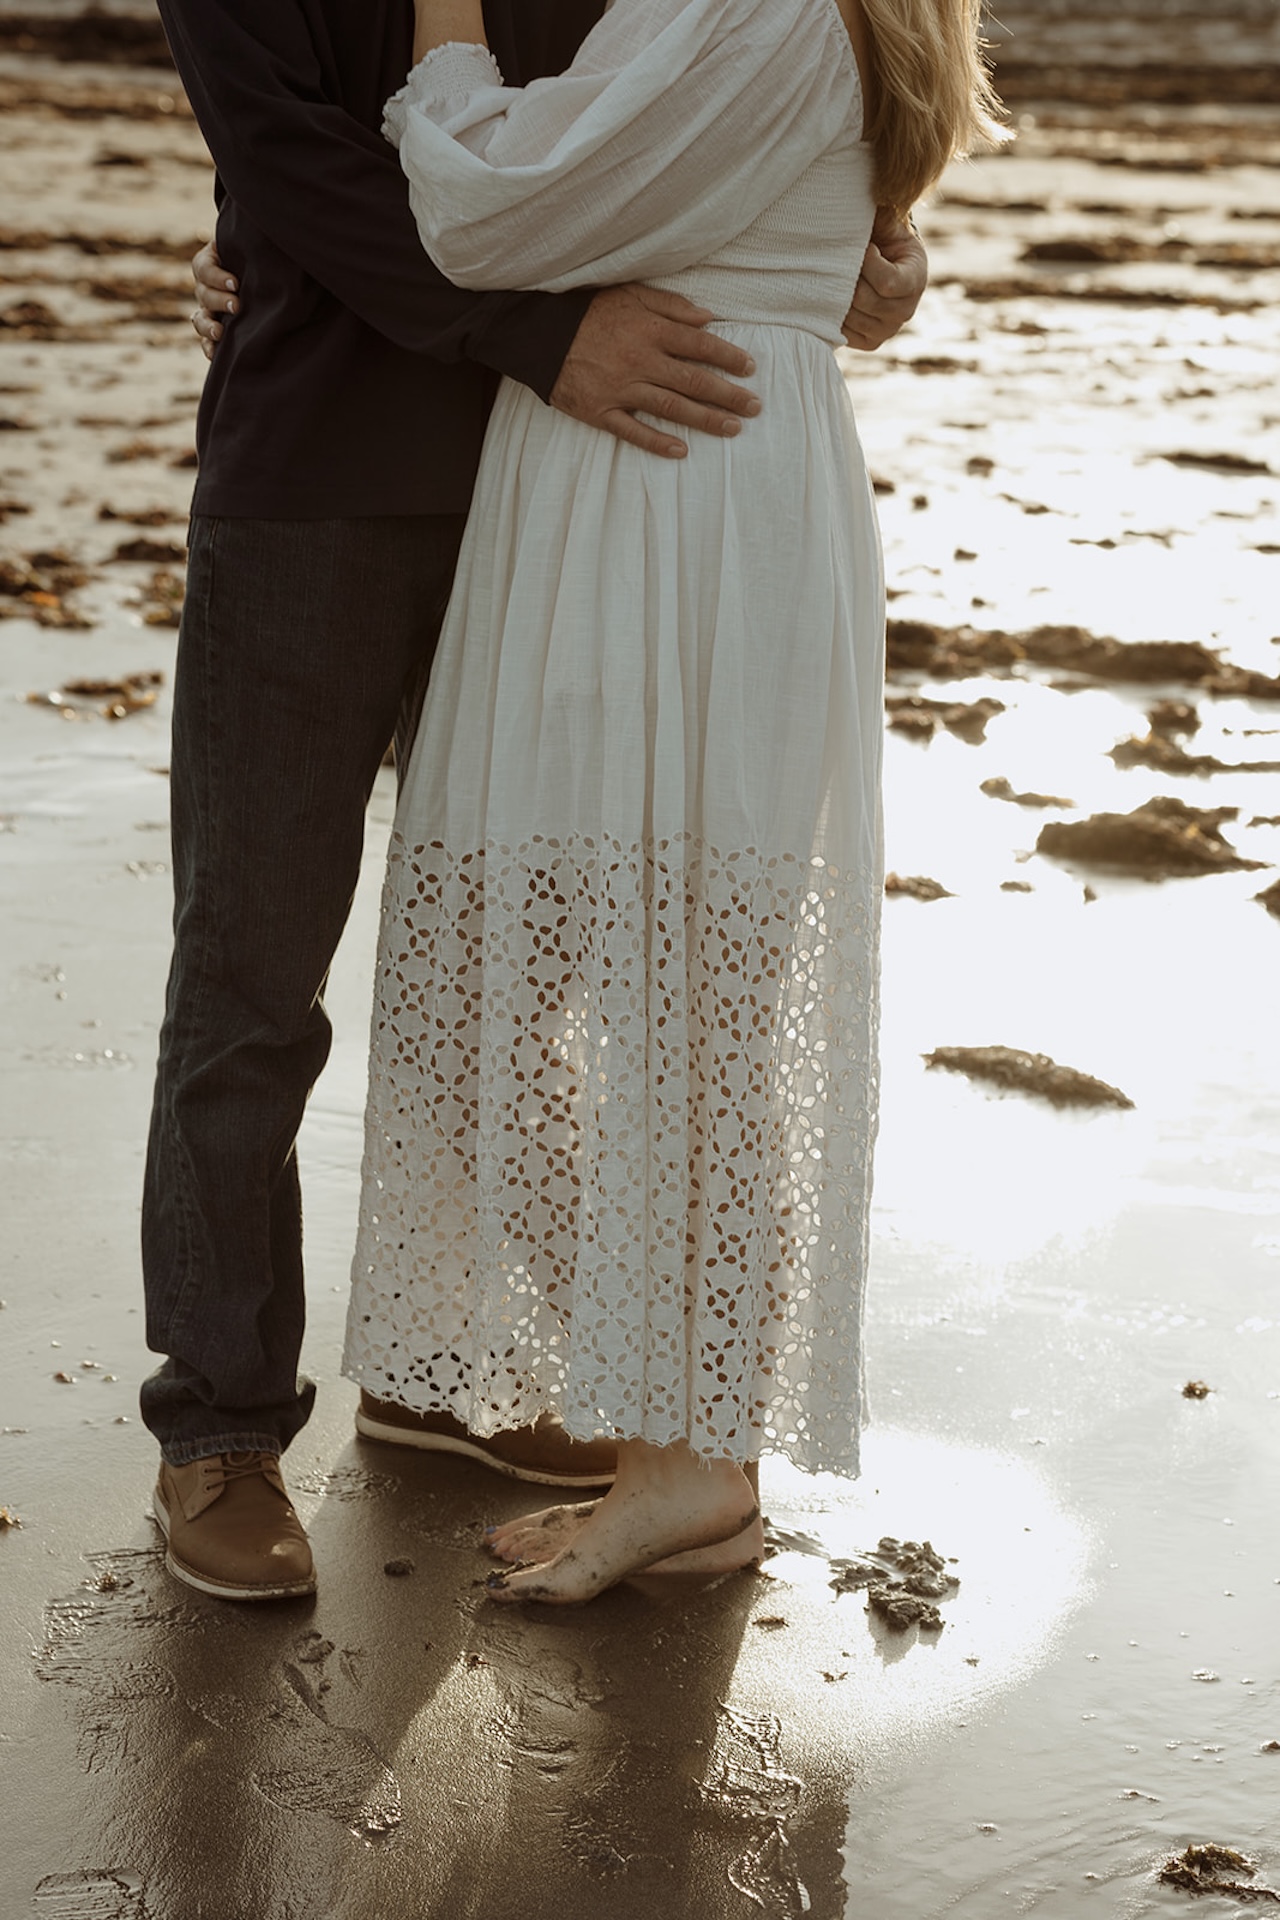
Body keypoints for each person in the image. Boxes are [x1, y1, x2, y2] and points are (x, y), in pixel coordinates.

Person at [147, 0, 928, 1603]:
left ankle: (440, 1374)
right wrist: (531, 335)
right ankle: (219, 1426)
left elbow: (676, 104)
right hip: (330, 475)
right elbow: (291, 156)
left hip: (569, 490)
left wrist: (869, 229)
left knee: (521, 973)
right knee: (251, 977)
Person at [341, 0, 1006, 1605]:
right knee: (633, 1005)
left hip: (678, 505)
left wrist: (440, 36)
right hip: (671, 491)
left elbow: (492, 211)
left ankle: (693, 1465)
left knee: (673, 1017)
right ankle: (675, 1438)